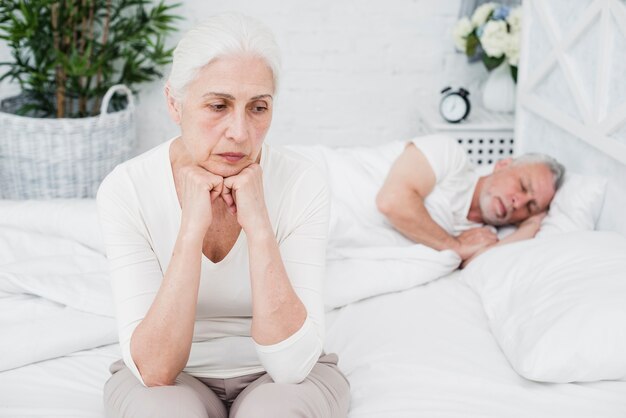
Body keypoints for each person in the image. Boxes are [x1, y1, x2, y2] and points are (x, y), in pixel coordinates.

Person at [97, 13, 350, 418]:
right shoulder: (126, 188)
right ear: (174, 104)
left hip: (287, 372)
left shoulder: (303, 183)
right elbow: (156, 369)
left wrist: (260, 227)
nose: (240, 132)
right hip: (166, 377)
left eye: (258, 108)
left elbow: (290, 366)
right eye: (218, 105)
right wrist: (191, 230)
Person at [376, 135, 565, 265]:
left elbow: (476, 266)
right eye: (523, 186)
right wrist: (453, 246)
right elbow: (392, 202)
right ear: (503, 165)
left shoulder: (483, 236)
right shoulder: (450, 155)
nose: (519, 202)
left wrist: (532, 225)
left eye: (531, 207)